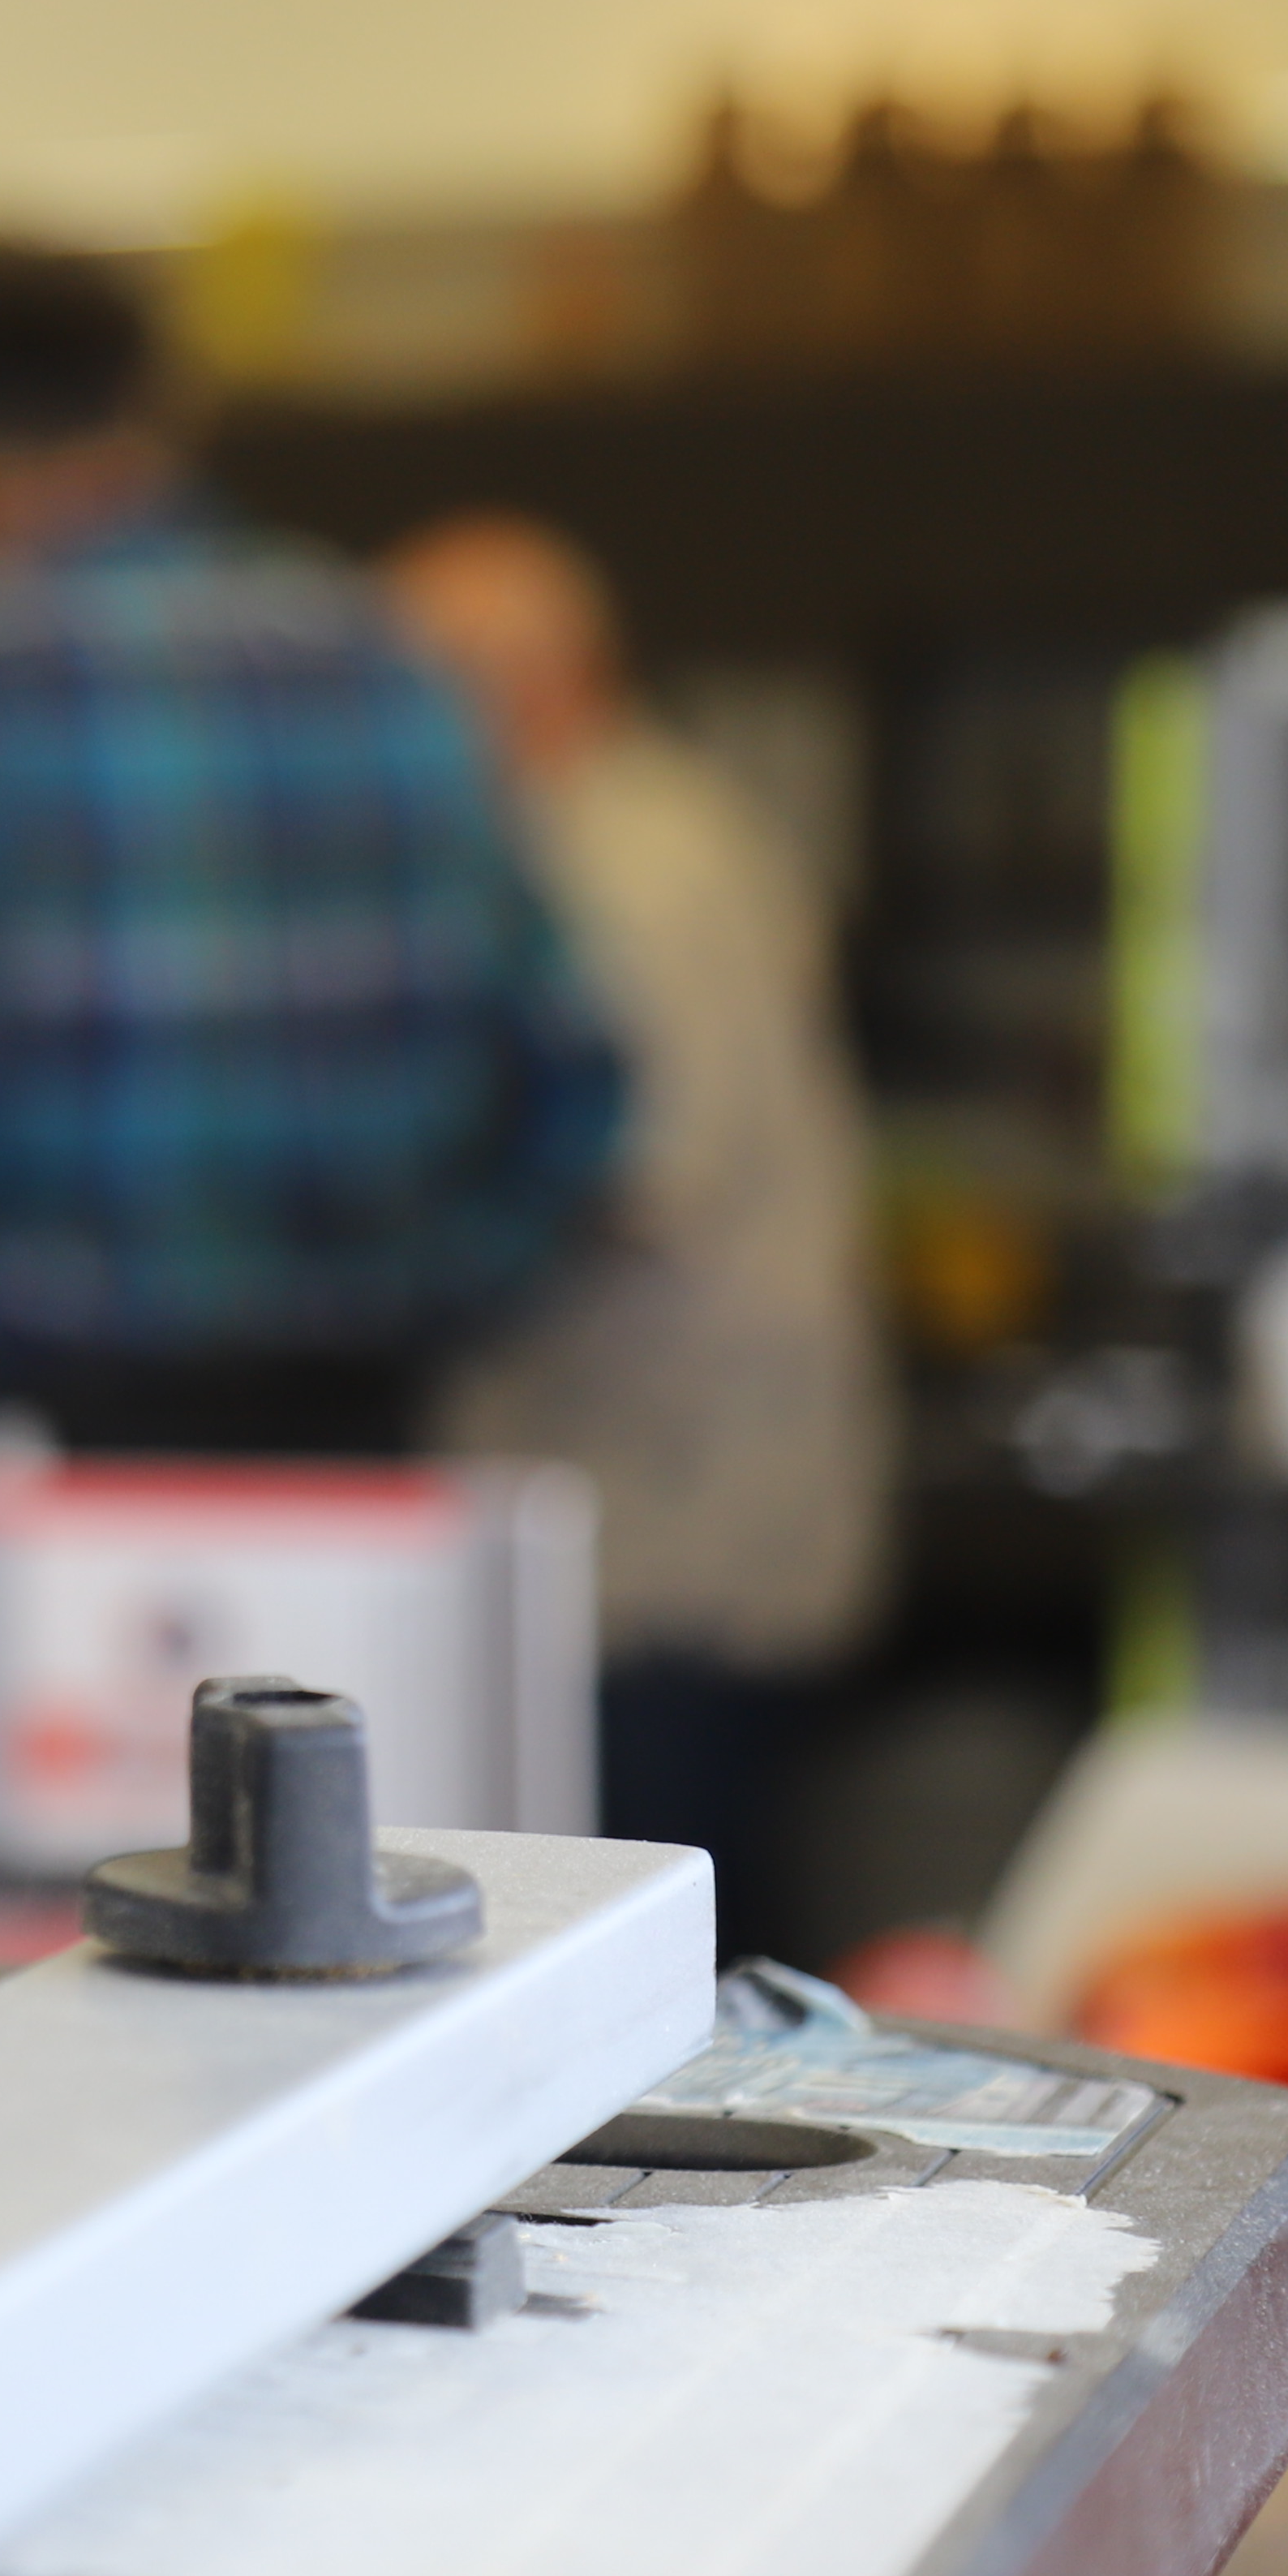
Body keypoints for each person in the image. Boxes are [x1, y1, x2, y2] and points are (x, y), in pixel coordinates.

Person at [0, 241, 619, 1454]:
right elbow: (576, 1082)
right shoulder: (388, 656)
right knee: (338, 1660)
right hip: (364, 1407)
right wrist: (436, 1290)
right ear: (167, 412)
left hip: (60, 1418)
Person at [385, 510, 893, 1925]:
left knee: (664, 1970)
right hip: (653, 1505)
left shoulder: (628, 866)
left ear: (531, 679)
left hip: (670, 1525)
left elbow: (632, 1178)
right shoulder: (609, 830)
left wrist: (388, 1272)